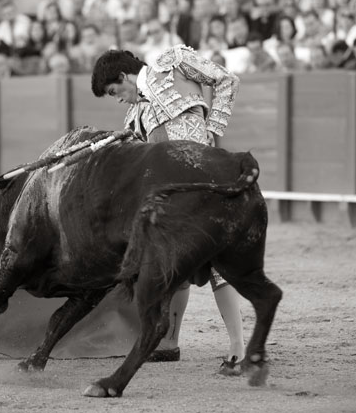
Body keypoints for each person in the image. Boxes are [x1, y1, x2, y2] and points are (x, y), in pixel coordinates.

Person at [90, 45, 246, 372]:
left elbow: (226, 80)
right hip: (173, 199)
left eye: (113, 90)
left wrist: (213, 131)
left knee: (217, 265)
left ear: (123, 76)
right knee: (176, 270)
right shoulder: (133, 117)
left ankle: (238, 348)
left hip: (204, 183)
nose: (117, 98)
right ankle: (170, 342)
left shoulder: (172, 62)